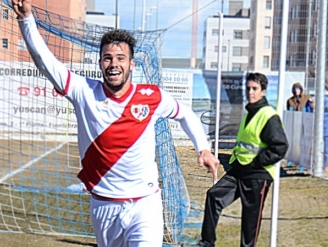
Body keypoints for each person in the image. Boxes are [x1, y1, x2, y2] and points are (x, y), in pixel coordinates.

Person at [12, 1, 220, 246]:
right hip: (103, 205)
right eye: (108, 58)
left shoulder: (151, 96)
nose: (114, 64)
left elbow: (186, 114)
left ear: (131, 64)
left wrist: (203, 148)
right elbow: (45, 61)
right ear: (100, 63)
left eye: (121, 58)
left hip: (145, 203)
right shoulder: (83, 91)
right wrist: (26, 20)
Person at [191, 73, 289, 247]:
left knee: (250, 222)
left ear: (263, 91)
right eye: (248, 88)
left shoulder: (268, 116)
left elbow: (280, 147)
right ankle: (207, 242)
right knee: (214, 196)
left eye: (255, 89)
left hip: (258, 174)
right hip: (239, 170)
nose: (250, 92)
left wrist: (256, 163)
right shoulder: (249, 113)